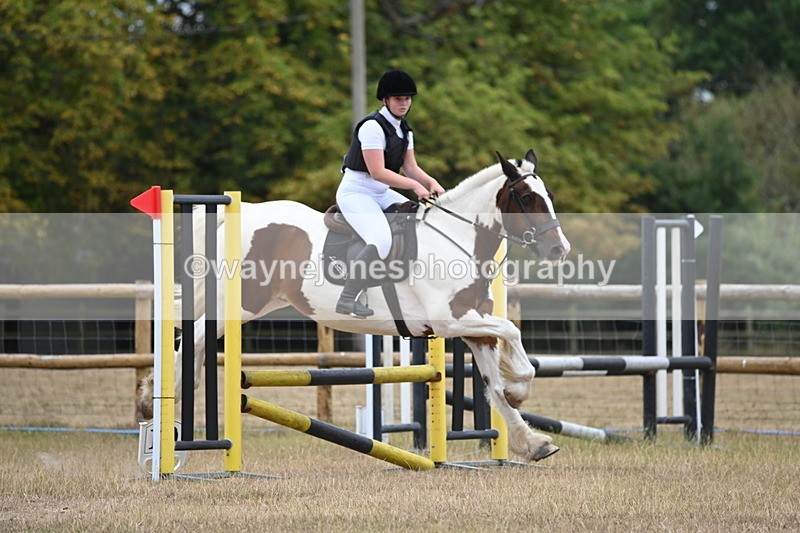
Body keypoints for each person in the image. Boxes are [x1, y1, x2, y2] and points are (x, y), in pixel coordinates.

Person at [335, 69, 445, 318]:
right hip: (357, 191)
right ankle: (347, 298)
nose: (404, 103)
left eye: (407, 98)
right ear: (385, 100)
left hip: (381, 192)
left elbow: (410, 168)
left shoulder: (405, 130)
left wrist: (431, 182)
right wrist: (415, 187)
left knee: (419, 217)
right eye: (398, 98)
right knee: (381, 240)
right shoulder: (372, 127)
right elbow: (377, 172)